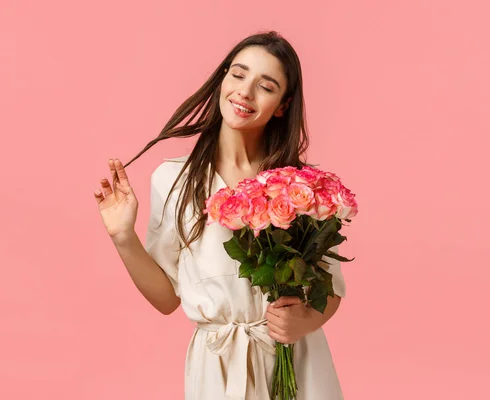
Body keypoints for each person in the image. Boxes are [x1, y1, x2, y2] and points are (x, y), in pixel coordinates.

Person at [93, 31, 346, 400]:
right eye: (238, 74)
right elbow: (167, 299)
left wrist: (304, 320)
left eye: (266, 85)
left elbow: (331, 288)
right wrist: (123, 237)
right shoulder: (173, 180)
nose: (245, 92)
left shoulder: (298, 186)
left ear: (281, 105)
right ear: (223, 78)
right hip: (218, 368)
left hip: (297, 360)